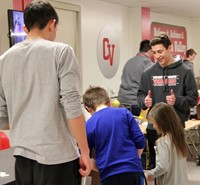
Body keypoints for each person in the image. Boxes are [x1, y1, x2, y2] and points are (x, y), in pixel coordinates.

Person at [0, 1, 92, 185]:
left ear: (25, 28)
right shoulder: (61, 52)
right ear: (52, 24)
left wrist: (29, 122)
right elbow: (72, 107)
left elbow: (1, 117)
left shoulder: (4, 60)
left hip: (22, 158)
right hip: (58, 158)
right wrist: (85, 151)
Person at [137, 34, 198, 169]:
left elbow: (193, 99)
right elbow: (140, 94)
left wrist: (178, 100)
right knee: (156, 168)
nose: (157, 56)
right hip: (154, 127)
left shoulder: (185, 72)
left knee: (175, 167)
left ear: (169, 48)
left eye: (160, 51)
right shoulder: (148, 73)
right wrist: (144, 101)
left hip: (175, 127)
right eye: (154, 53)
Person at [83, 86, 146, 185]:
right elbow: (140, 140)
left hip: (109, 176)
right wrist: (133, 158)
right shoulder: (124, 113)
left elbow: (86, 158)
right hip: (133, 170)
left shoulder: (89, 125)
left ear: (87, 109)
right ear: (109, 102)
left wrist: (102, 167)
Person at [146, 102, 189, 185]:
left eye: (154, 123)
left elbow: (162, 166)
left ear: (162, 122)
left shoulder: (162, 141)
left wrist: (151, 174)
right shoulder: (179, 137)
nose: (154, 126)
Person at [118, 39, 153, 116]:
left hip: (121, 102)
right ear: (150, 51)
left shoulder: (129, 61)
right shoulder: (148, 64)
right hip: (135, 103)